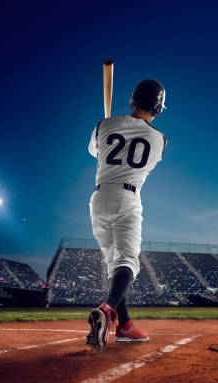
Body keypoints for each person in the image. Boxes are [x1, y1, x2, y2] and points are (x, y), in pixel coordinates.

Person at [85, 79, 167, 351]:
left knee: (114, 264)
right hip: (127, 197)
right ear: (158, 108)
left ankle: (126, 326)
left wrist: (108, 127)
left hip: (98, 198)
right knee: (128, 262)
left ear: (132, 100)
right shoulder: (159, 140)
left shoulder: (103, 126)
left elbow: (95, 152)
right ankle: (108, 312)